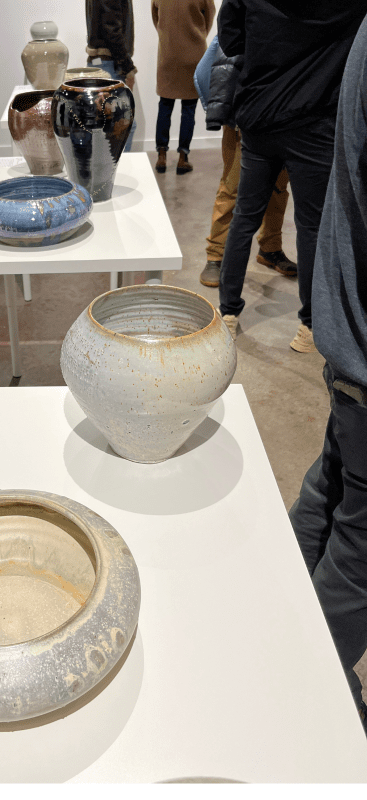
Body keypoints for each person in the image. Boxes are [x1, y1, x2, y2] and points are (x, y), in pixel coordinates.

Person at [288, 14, 367, 735]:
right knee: (358, 555)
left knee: (333, 492)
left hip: (349, 346)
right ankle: (294, 704)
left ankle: (273, 634)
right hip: (361, 358)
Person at [216, 0, 367, 350]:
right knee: (312, 227)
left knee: (245, 217)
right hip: (314, 121)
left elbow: (230, 41)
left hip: (259, 113)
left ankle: (228, 312)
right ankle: (310, 327)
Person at [193, 34, 296, 288]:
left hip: (284, 117)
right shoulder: (247, 13)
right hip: (246, 118)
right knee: (232, 187)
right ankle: (216, 256)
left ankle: (270, 249)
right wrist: (227, 111)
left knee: (278, 187)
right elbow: (207, 67)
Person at [151, 0, 214, 175]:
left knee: (165, 104)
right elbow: (209, 15)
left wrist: (167, 36)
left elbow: (155, 15)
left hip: (168, 53)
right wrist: (198, 35)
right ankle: (182, 158)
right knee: (189, 108)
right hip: (193, 53)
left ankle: (161, 155)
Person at [85, 0, 137, 152]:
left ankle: (108, 172)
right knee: (123, 126)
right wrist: (128, 68)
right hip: (109, 65)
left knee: (105, 128)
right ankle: (118, 173)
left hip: (102, 63)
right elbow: (112, 30)